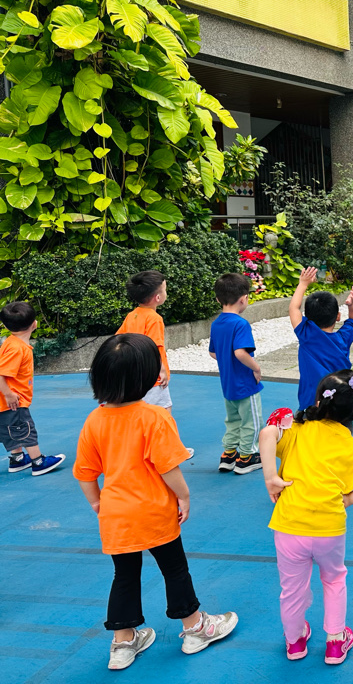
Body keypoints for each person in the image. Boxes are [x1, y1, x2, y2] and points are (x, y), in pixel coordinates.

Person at [72, 333, 238, 671]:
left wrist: (98, 504)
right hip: (154, 511)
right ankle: (194, 627)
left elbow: (85, 473)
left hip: (116, 515)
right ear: (148, 377)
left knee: (124, 575)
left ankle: (122, 642)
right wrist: (184, 496)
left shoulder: (94, 420)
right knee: (174, 569)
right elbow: (168, 468)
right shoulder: (153, 417)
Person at [258, 370, 353, 665]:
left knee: (292, 588)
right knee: (334, 580)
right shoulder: (352, 447)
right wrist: (350, 498)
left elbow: (267, 434)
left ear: (320, 400)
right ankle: (335, 642)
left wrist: (270, 477)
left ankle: (295, 641)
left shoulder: (297, 431)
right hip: (329, 529)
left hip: (289, 526)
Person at [116, 270, 194, 459]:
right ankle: (169, 450)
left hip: (136, 375)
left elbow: (118, 339)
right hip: (153, 376)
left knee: (143, 412)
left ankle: (142, 448)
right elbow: (154, 345)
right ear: (158, 297)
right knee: (162, 412)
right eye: (165, 290)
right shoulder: (154, 319)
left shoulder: (132, 316)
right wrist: (162, 370)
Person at [0, 301, 64, 476]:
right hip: (14, 401)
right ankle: (38, 462)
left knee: (13, 429)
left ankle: (18, 459)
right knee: (25, 430)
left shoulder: (11, 343)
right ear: (34, 324)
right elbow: (1, 374)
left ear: (5, 326)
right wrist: (9, 395)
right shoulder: (17, 349)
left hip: (8, 402)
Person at [209, 273, 263, 475]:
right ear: (243, 298)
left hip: (228, 384)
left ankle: (229, 454)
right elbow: (240, 352)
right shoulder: (240, 324)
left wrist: (226, 360)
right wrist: (256, 368)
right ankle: (247, 456)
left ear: (218, 299)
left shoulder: (217, 324)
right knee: (252, 421)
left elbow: (213, 352)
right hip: (245, 383)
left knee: (232, 420)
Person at [289, 266, 353, 412]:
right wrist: (351, 305)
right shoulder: (343, 338)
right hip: (339, 403)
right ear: (338, 316)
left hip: (311, 403)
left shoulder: (306, 334)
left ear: (308, 318)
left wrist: (303, 284)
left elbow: (293, 309)